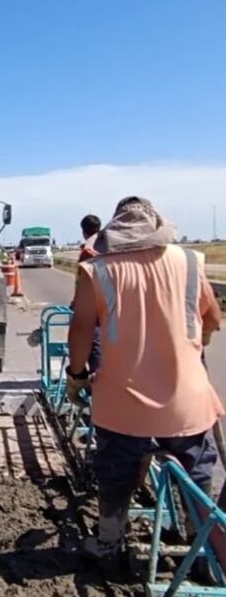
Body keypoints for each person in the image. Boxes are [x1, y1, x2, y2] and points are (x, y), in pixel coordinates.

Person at [66, 196, 223, 572]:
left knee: (115, 474)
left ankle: (108, 543)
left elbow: (81, 329)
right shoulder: (188, 262)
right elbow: (213, 318)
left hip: (123, 405)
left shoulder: (97, 271)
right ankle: (203, 548)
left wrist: (76, 376)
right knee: (196, 475)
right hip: (187, 403)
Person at [76, 214, 103, 373]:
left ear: (84, 231)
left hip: (93, 302)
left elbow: (83, 280)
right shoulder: (107, 244)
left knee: (93, 340)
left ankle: (95, 376)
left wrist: (77, 301)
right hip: (111, 302)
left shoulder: (88, 250)